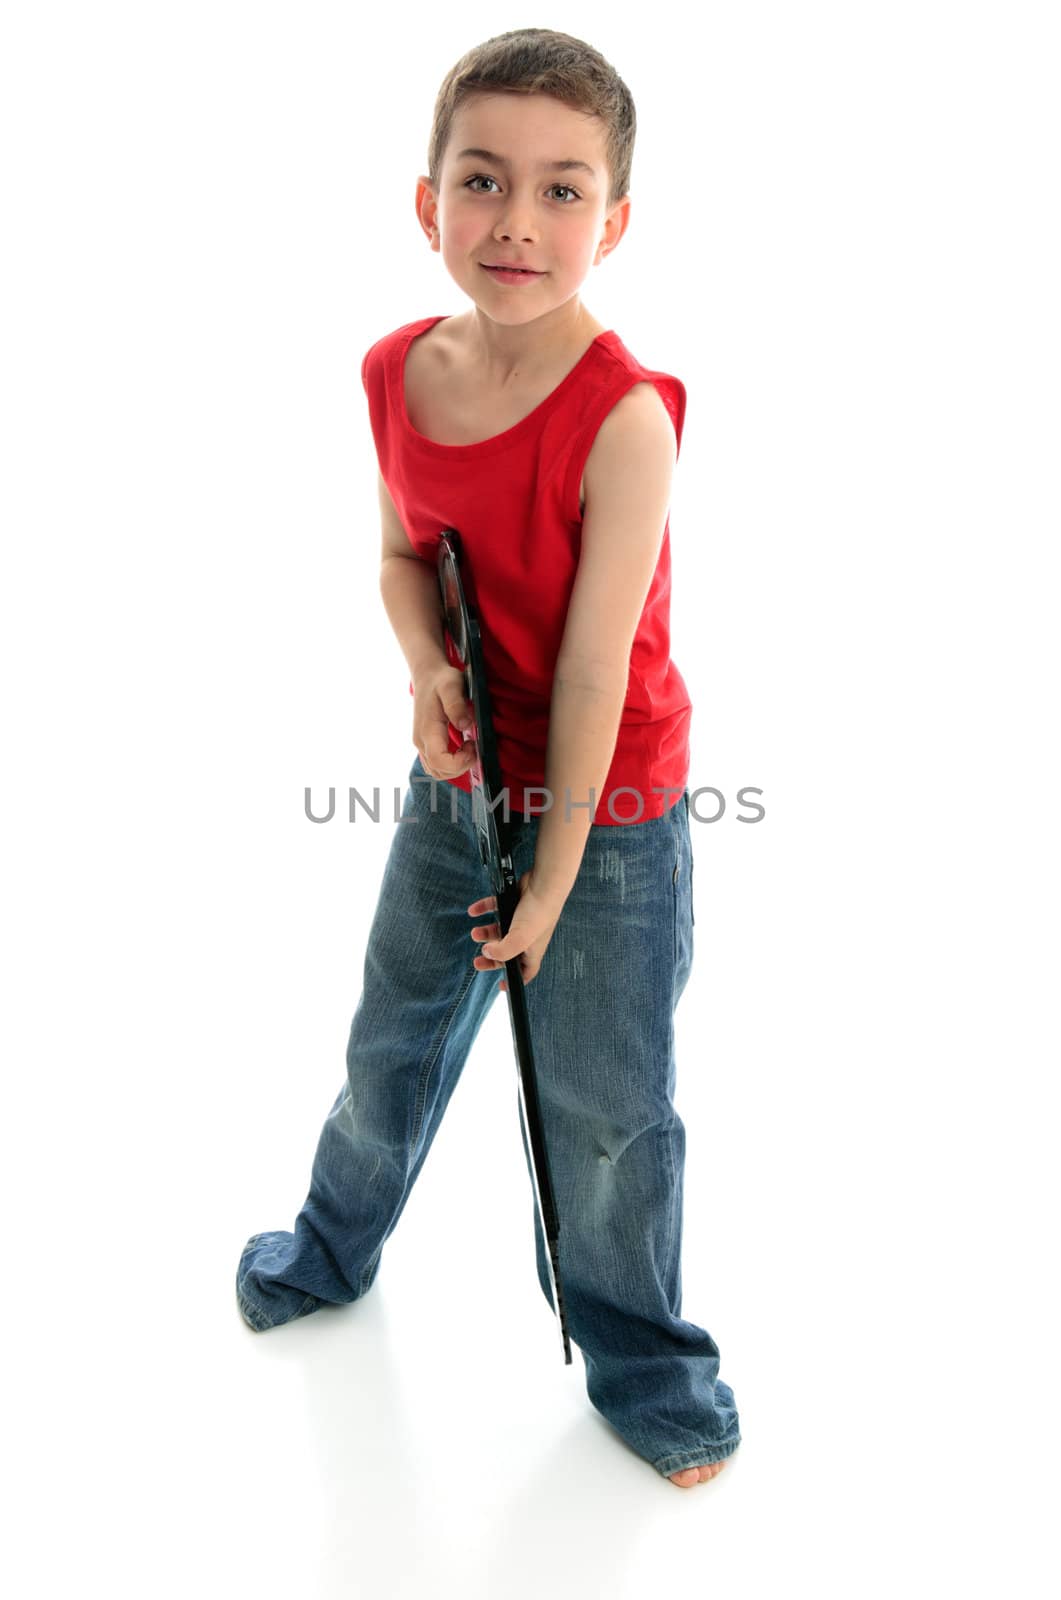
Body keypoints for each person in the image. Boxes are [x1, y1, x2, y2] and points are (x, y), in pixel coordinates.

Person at [236, 26, 741, 1490]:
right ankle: (331, 1247)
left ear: (616, 221)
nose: (517, 220)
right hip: (459, 777)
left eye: (563, 189)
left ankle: (644, 1362)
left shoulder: (626, 419)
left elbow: (590, 676)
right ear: (427, 202)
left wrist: (549, 887)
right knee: (392, 1036)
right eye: (483, 179)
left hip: (607, 806)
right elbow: (402, 558)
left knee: (604, 1108)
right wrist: (427, 668)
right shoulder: (396, 370)